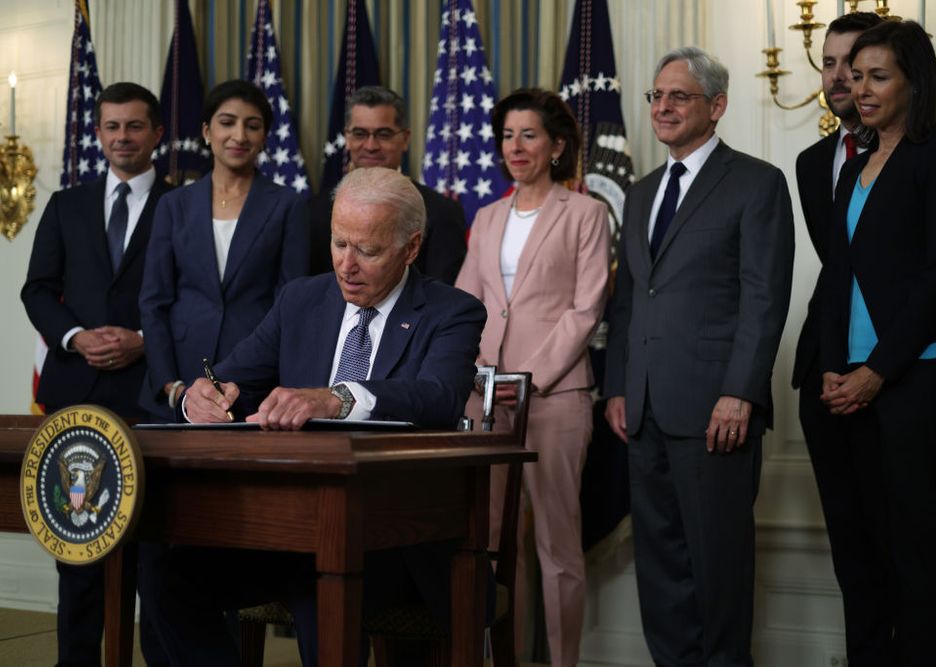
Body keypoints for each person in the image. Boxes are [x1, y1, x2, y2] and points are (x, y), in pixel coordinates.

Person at [141, 167, 487, 666]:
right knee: (165, 571)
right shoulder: (301, 299)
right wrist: (202, 396)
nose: (347, 264)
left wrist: (338, 398)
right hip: (285, 527)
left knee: (320, 571)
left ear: (411, 248)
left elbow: (439, 397)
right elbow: (230, 380)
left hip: (395, 542)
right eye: (339, 243)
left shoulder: (451, 311)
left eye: (367, 250)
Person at [604, 47, 794, 665]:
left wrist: (740, 391)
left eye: (678, 96)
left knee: (717, 565)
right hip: (644, 409)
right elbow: (627, 302)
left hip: (716, 408)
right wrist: (617, 388)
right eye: (656, 96)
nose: (662, 107)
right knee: (660, 567)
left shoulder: (756, 182)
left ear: (716, 106)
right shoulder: (640, 193)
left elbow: (764, 300)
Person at [819, 20, 936, 666]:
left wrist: (878, 370)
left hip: (919, 378)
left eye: (877, 76)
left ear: (914, 83)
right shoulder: (853, 166)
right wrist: (839, 369)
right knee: (874, 549)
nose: (859, 88)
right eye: (854, 76)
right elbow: (838, 281)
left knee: (917, 552)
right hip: (855, 383)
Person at [455, 88, 610, 666]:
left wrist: (528, 377)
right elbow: (466, 305)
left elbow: (586, 309)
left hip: (555, 398)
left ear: (556, 146)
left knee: (557, 547)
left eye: (528, 135)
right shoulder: (487, 216)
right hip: (485, 398)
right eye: (507, 136)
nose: (514, 147)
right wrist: (476, 375)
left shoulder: (587, 213)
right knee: (494, 548)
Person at [20, 82, 170, 667]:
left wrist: (143, 341)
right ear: (99, 133)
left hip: (148, 396)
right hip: (74, 398)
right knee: (78, 549)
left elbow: (192, 302)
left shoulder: (183, 205)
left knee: (154, 554)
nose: (122, 137)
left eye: (135, 126)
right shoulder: (66, 205)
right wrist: (77, 337)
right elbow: (37, 290)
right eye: (112, 126)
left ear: (157, 134)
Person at [791, 11, 886, 664]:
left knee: (903, 543)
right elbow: (837, 267)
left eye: (854, 62)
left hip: (898, 374)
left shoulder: (924, 149)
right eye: (828, 63)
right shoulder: (811, 161)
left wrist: (878, 366)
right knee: (850, 547)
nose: (839, 76)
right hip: (823, 371)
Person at [139, 79, 309, 420]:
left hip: (256, 377)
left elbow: (291, 301)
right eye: (227, 122)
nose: (239, 136)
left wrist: (267, 372)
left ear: (264, 137)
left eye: (253, 125)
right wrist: (168, 383)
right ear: (207, 131)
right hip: (180, 376)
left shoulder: (288, 205)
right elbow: (153, 301)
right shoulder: (174, 204)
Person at [307, 85, 467, 281]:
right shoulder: (312, 212)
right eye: (359, 134)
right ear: (347, 138)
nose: (371, 146)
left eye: (383, 135)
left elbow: (443, 297)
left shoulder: (442, 212)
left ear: (405, 139)